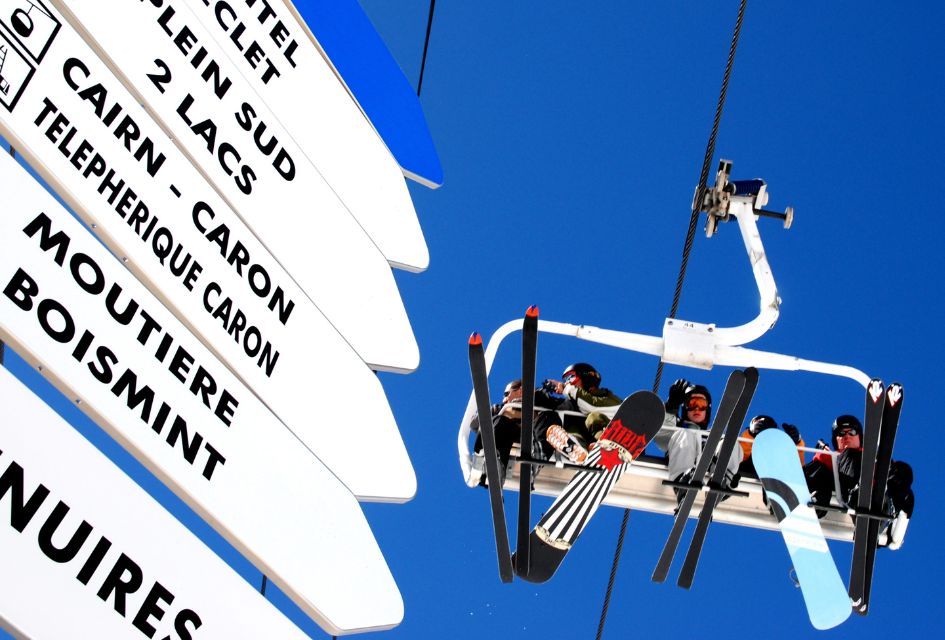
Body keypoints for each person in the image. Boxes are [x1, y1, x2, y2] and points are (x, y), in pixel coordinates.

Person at [803, 415, 914, 534]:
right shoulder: (827, 457)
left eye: (852, 432)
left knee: (903, 469)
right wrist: (798, 444)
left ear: (859, 437)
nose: (846, 436)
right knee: (849, 455)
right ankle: (860, 499)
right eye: (841, 433)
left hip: (879, 492)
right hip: (850, 490)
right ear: (836, 439)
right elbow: (807, 474)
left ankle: (886, 509)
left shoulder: (875, 458)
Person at [656, 379, 742, 498]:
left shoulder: (714, 436)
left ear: (708, 409)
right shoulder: (678, 428)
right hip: (684, 462)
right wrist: (671, 407)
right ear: (685, 407)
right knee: (687, 432)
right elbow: (661, 436)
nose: (696, 409)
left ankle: (723, 479)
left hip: (710, 462)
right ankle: (682, 481)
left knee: (729, 441)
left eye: (701, 404)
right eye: (691, 404)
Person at [534, 363, 621, 462]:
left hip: (612, 438)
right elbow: (556, 407)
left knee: (594, 417)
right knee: (570, 425)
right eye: (566, 380)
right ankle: (578, 449)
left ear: (586, 378)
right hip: (589, 443)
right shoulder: (574, 405)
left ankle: (604, 448)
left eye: (571, 378)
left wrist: (566, 389)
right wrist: (540, 395)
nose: (568, 383)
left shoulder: (609, 398)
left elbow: (592, 405)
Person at [471, 379, 526, 486]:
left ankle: (496, 467)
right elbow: (473, 425)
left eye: (507, 394)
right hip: (505, 436)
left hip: (524, 436)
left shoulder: (536, 404)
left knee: (501, 423)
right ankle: (482, 462)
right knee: (490, 422)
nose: (504, 399)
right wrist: (490, 411)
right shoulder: (500, 410)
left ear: (520, 391)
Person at [738, 415, 805, 478]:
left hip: (776, 476)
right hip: (746, 472)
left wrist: (796, 443)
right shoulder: (746, 448)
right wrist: (751, 435)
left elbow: (797, 468)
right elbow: (739, 458)